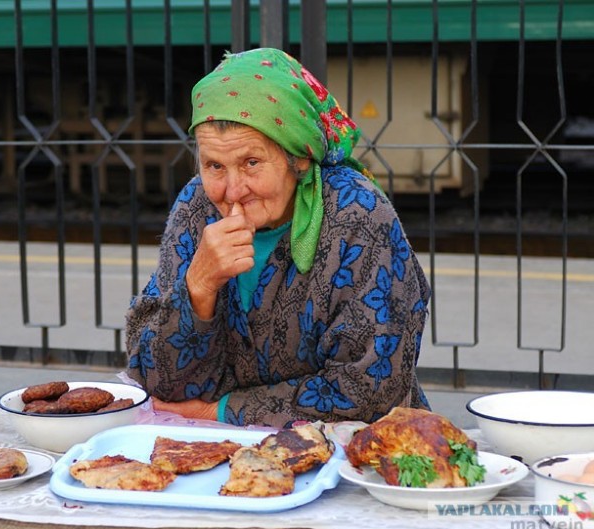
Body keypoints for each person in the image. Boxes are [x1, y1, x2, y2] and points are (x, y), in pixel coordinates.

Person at [125, 47, 431, 429]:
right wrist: (199, 286)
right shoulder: (196, 206)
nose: (232, 191)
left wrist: (221, 411)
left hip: (362, 454)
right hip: (224, 457)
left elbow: (368, 387)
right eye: (214, 165)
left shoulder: (358, 216)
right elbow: (161, 383)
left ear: (298, 158)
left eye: (251, 163)